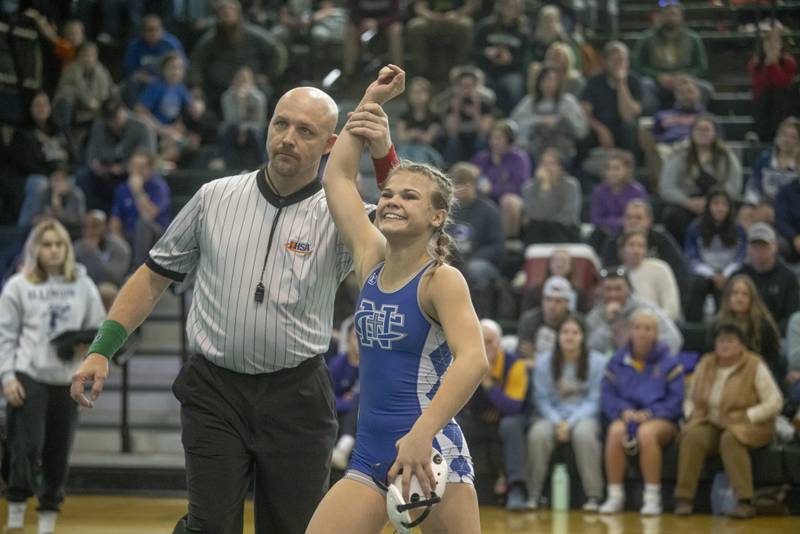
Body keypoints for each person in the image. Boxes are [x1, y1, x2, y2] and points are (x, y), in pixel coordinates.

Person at [70, 77, 400, 533]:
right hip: (214, 391)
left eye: (305, 131)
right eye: (281, 124)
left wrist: (384, 155)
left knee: (293, 527)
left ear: (330, 145)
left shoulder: (342, 213)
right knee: (210, 528)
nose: (287, 138)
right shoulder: (214, 197)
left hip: (297, 397)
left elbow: (406, 234)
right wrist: (101, 349)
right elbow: (151, 277)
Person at [306, 65, 487, 534]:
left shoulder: (441, 280)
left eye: (409, 197)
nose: (391, 201)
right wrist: (370, 102)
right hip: (369, 454)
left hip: (431, 451)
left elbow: (473, 361)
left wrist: (421, 435)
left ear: (436, 216)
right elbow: (339, 180)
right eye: (387, 193)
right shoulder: (370, 260)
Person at [0, 219, 106, 534]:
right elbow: (5, 335)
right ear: (36, 248)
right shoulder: (20, 286)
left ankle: (48, 519)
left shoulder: (83, 285)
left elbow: (99, 329)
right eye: (46, 244)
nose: (54, 250)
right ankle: (16, 514)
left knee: (58, 452)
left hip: (67, 380)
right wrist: (7, 377)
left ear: (67, 248)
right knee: (25, 447)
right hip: (29, 374)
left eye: (59, 244)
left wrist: (81, 344)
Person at [675, 322, 783, 519]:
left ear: (742, 345)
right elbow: (689, 397)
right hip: (711, 421)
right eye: (721, 341)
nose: (724, 345)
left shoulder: (754, 364)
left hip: (750, 424)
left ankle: (744, 502)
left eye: (731, 341)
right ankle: (684, 499)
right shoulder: (706, 363)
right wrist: (691, 414)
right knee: (692, 436)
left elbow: (775, 402)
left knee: (730, 438)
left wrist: (750, 416)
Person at [599, 309, 685, 516]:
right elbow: (607, 395)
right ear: (630, 331)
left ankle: (652, 498)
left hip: (661, 419)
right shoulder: (617, 360)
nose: (641, 333)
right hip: (627, 414)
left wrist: (651, 413)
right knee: (614, 432)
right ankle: (615, 495)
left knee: (646, 433)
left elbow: (676, 401)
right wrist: (623, 410)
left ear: (656, 333)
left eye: (648, 328)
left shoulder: (669, 362)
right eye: (637, 328)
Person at [527, 314, 605, 511]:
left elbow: (594, 400)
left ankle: (594, 496)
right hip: (550, 416)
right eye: (565, 332)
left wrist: (570, 423)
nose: (569, 337)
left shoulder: (598, 362)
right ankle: (533, 495)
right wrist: (557, 422)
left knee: (584, 435)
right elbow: (541, 399)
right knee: (538, 434)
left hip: (584, 416)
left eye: (575, 332)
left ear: (583, 336)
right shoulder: (544, 362)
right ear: (558, 336)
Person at [458, 319, 528, 511]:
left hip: (507, 419)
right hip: (478, 419)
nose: (484, 346)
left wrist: (487, 382)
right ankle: (457, 486)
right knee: (457, 425)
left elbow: (514, 406)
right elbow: (460, 402)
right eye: (480, 340)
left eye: (489, 341)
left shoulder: (515, 364)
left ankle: (516, 488)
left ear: (499, 344)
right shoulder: (465, 361)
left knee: (511, 425)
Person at [188, 0, 287, 113]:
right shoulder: (211, 39)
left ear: (238, 14)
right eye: (222, 13)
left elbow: (277, 50)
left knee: (265, 96)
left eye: (230, 11)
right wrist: (195, 85)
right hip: (220, 86)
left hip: (253, 84)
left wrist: (268, 75)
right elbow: (197, 61)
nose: (226, 15)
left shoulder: (253, 35)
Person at [660, 114, 743, 245]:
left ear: (715, 133)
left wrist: (713, 203)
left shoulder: (726, 155)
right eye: (699, 129)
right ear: (692, 132)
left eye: (707, 130)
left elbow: (734, 186)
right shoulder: (680, 154)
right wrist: (688, 202)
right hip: (688, 202)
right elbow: (666, 187)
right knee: (672, 215)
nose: (703, 133)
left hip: (719, 202)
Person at [449, 162, 505, 318]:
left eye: (465, 184)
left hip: (480, 261)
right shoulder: (448, 210)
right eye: (456, 184)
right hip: (452, 260)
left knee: (474, 269)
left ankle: (478, 317)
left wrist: (473, 258)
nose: (460, 189)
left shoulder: (489, 210)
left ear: (474, 185)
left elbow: (498, 246)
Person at [586, 266, 683, 356]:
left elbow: (674, 339)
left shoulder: (646, 309)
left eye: (618, 289)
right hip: (610, 368)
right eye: (608, 289)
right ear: (601, 291)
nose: (613, 294)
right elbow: (588, 351)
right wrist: (607, 324)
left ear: (628, 289)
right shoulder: (595, 315)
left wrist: (646, 352)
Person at [632, 0, 709, 112]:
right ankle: (654, 121)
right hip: (657, 81)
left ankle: (693, 117)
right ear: (660, 16)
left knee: (705, 88)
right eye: (666, 14)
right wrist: (658, 76)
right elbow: (637, 65)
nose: (670, 17)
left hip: (684, 80)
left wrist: (684, 76)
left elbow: (702, 67)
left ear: (681, 17)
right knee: (645, 84)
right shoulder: (647, 38)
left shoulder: (693, 39)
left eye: (673, 14)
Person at [601, 199, 690, 295]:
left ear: (648, 221)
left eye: (638, 218)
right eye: (629, 217)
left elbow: (680, 271)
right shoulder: (612, 243)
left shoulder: (662, 240)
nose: (633, 222)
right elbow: (609, 276)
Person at [710, 274, 785, 388]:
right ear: (728, 297)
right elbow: (711, 356)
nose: (739, 298)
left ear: (752, 299)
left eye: (745, 294)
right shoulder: (717, 325)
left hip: (758, 377)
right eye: (735, 293)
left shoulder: (764, 325)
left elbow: (773, 361)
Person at [684, 188, 747, 322]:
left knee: (726, 287)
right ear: (709, 206)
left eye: (724, 204)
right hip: (706, 273)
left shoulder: (739, 229)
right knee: (697, 284)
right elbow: (692, 258)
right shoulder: (695, 228)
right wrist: (713, 275)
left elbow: (741, 258)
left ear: (730, 208)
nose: (720, 208)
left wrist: (725, 274)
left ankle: (724, 325)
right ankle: (693, 328)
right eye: (716, 204)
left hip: (729, 274)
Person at [510, 64, 588, 166]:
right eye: (545, 80)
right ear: (539, 82)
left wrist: (567, 120)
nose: (549, 84)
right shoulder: (529, 102)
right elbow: (514, 124)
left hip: (562, 152)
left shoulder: (568, 102)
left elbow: (582, 131)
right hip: (534, 152)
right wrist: (540, 120)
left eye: (553, 80)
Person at [732, 222, 800, 333]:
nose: (759, 251)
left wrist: (772, 332)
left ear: (774, 247)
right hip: (741, 333)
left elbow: (792, 315)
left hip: (779, 335)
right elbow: (727, 310)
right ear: (748, 249)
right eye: (755, 246)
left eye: (764, 246)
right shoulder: (738, 276)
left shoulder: (788, 277)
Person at [109, 150, 171, 268]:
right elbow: (115, 219)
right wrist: (118, 239)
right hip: (129, 235)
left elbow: (149, 215)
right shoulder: (122, 189)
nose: (137, 171)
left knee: (142, 224)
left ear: (150, 169)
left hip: (157, 236)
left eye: (141, 167)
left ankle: (138, 270)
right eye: (134, 167)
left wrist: (138, 192)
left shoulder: (159, 187)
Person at [470, 120, 531, 238]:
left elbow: (520, 186)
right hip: (484, 198)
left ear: (509, 140)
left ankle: (508, 241)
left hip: (510, 199)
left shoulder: (519, 158)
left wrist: (492, 189)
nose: (494, 142)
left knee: (509, 201)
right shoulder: (482, 158)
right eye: (492, 138)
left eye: (499, 138)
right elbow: (469, 178)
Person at [580, 41, 643, 153]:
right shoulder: (594, 82)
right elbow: (584, 112)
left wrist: (621, 83)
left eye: (621, 61)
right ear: (604, 62)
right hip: (599, 127)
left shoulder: (634, 81)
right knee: (584, 132)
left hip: (622, 129)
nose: (618, 64)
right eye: (614, 61)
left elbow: (628, 116)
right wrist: (601, 130)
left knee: (630, 127)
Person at [473, 0, 529, 114]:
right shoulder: (485, 27)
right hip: (486, 70)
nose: (510, 9)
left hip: (510, 72)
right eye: (507, 6)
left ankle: (511, 119)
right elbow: (472, 51)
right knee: (478, 85)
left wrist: (510, 60)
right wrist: (486, 53)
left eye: (514, 7)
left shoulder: (523, 32)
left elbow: (524, 59)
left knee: (514, 87)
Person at [743, 116, 800, 226]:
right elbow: (754, 184)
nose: (786, 140)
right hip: (764, 205)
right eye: (783, 135)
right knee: (745, 214)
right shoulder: (765, 158)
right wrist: (751, 205)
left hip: (791, 210)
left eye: (792, 137)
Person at [589, 149, 648, 254]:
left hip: (631, 231)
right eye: (609, 169)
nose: (612, 173)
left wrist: (620, 223)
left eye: (616, 169)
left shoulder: (637, 191)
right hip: (606, 232)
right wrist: (620, 222)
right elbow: (596, 219)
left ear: (627, 170)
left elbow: (640, 217)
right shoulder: (599, 192)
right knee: (596, 235)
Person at [406, 0, 479, 82]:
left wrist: (457, 14)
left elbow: (471, 5)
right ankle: (422, 71)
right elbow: (419, 7)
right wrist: (433, 16)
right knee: (415, 26)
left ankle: (461, 67)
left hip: (456, 19)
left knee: (466, 24)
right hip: (431, 20)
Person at [520, 148, 581, 244]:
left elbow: (568, 217)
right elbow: (533, 215)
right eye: (543, 164)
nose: (547, 168)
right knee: (535, 227)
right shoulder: (529, 187)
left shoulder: (571, 185)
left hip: (564, 230)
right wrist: (545, 188)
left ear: (561, 168)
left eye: (552, 164)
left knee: (551, 227)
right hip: (538, 230)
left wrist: (545, 218)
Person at [749, 23, 797, 141]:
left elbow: (782, 83)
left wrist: (773, 64)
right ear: (763, 45)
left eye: (775, 42)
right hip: (762, 100)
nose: (771, 46)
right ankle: (760, 133)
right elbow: (760, 84)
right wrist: (768, 64)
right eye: (767, 42)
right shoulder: (755, 63)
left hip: (784, 100)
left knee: (779, 95)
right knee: (765, 94)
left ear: (781, 45)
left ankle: (778, 133)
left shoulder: (789, 62)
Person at [620, 230, 682, 321]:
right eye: (632, 245)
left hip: (658, 325)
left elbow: (672, 309)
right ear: (622, 249)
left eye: (641, 246)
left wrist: (652, 322)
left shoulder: (660, 268)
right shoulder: (618, 274)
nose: (636, 250)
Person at [328, 317, 360, 470]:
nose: (359, 341)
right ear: (348, 338)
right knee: (356, 400)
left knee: (360, 399)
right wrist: (346, 401)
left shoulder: (372, 366)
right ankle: (343, 445)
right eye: (355, 336)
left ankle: (345, 445)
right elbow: (328, 398)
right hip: (339, 414)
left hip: (363, 417)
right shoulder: (337, 364)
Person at [517, 275, 574, 360]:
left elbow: (577, 355)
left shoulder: (575, 322)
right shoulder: (528, 320)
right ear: (542, 300)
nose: (552, 305)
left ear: (567, 303)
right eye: (548, 299)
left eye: (558, 301)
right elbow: (523, 355)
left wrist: (536, 354)